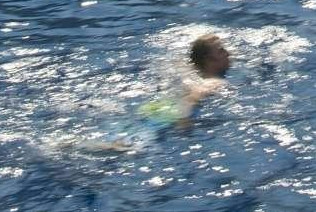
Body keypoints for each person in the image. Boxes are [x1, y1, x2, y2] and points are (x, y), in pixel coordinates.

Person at [86, 33, 233, 152]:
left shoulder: (188, 74)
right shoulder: (214, 82)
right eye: (221, 51)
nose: (228, 53)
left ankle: (72, 144)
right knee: (126, 149)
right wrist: (184, 121)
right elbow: (193, 97)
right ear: (209, 60)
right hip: (171, 114)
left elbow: (173, 66)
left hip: (154, 107)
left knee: (114, 139)